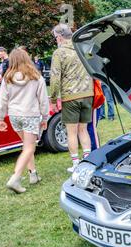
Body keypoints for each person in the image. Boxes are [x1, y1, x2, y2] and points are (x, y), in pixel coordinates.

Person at [0, 49, 49, 193]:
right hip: (30, 115)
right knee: (29, 148)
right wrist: (45, 117)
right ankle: (16, 178)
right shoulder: (36, 77)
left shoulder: (8, 77)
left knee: (26, 146)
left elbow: (2, 100)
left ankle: (33, 174)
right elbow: (43, 100)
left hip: (14, 116)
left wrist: (0, 118)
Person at [50, 24, 94, 172]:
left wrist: (53, 98)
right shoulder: (82, 48)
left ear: (60, 36)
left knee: (71, 132)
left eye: (55, 37)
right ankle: (87, 160)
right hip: (88, 93)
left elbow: (55, 78)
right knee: (84, 130)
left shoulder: (59, 52)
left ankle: (76, 163)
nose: (56, 40)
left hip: (70, 96)